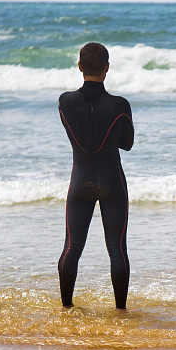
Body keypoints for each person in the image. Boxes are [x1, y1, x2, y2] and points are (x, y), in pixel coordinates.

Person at [58, 42, 134, 310]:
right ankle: (120, 311)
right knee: (117, 249)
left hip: (79, 183)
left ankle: (67, 309)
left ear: (79, 67)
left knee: (72, 247)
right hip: (113, 183)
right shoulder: (120, 105)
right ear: (107, 68)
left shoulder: (65, 102)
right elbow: (127, 144)